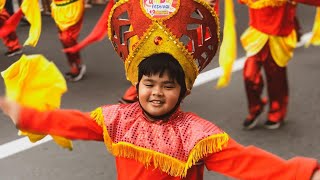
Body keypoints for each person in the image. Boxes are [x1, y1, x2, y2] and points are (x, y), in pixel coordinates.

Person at [1, 0, 320, 179]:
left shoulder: (197, 135)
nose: (156, 92)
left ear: (182, 92)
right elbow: (71, 123)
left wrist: (303, 174)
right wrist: (25, 115)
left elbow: (246, 162)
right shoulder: (118, 121)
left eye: (168, 86)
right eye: (149, 84)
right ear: (137, 85)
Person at [236, 0, 320, 130]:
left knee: (276, 80)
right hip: (256, 39)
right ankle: (256, 108)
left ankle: (276, 112)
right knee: (249, 75)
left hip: (277, 39)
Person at [51, 0, 86, 82]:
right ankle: (74, 64)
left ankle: (77, 65)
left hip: (72, 8)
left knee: (67, 38)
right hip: (58, 8)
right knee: (63, 38)